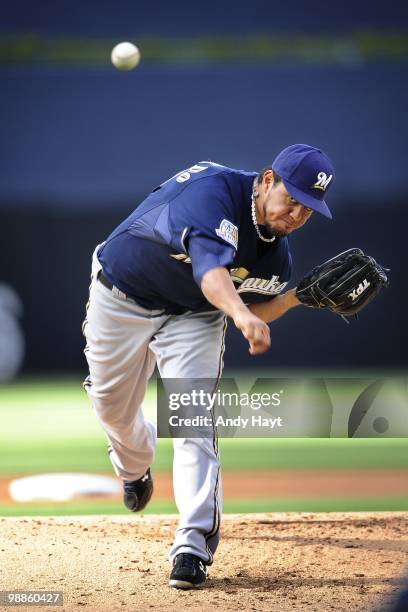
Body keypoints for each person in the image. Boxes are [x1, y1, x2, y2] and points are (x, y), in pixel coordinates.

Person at [82, 143, 335, 589]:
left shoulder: (276, 254)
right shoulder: (212, 192)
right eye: (291, 199)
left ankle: (192, 544)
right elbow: (213, 277)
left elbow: (258, 305)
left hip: (195, 315)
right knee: (112, 409)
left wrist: (296, 299)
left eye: (308, 208)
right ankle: (134, 466)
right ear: (268, 180)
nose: (296, 214)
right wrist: (239, 315)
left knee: (192, 418)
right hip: (121, 293)